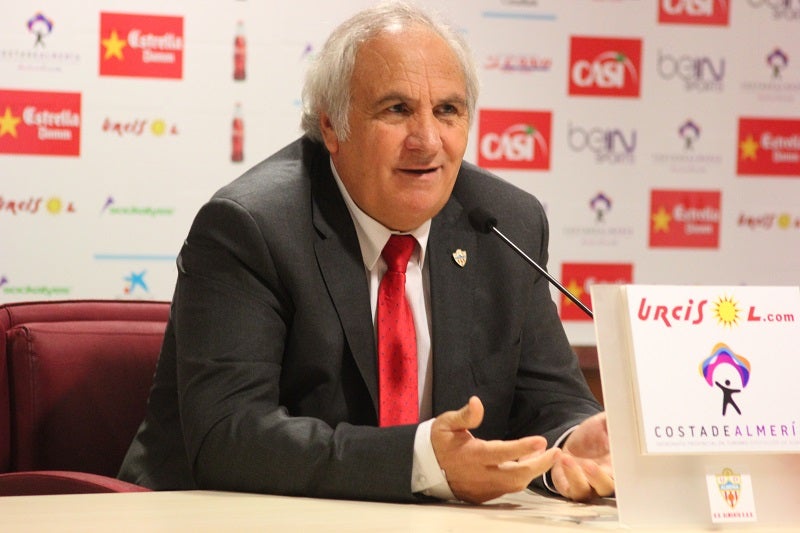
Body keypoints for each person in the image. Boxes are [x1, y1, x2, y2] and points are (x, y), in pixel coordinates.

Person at [118, 1, 614, 504]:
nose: (427, 141)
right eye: (397, 110)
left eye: (447, 110)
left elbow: (552, 402)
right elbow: (231, 436)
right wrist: (422, 463)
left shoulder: (504, 223)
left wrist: (573, 444)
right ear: (332, 128)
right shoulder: (252, 227)